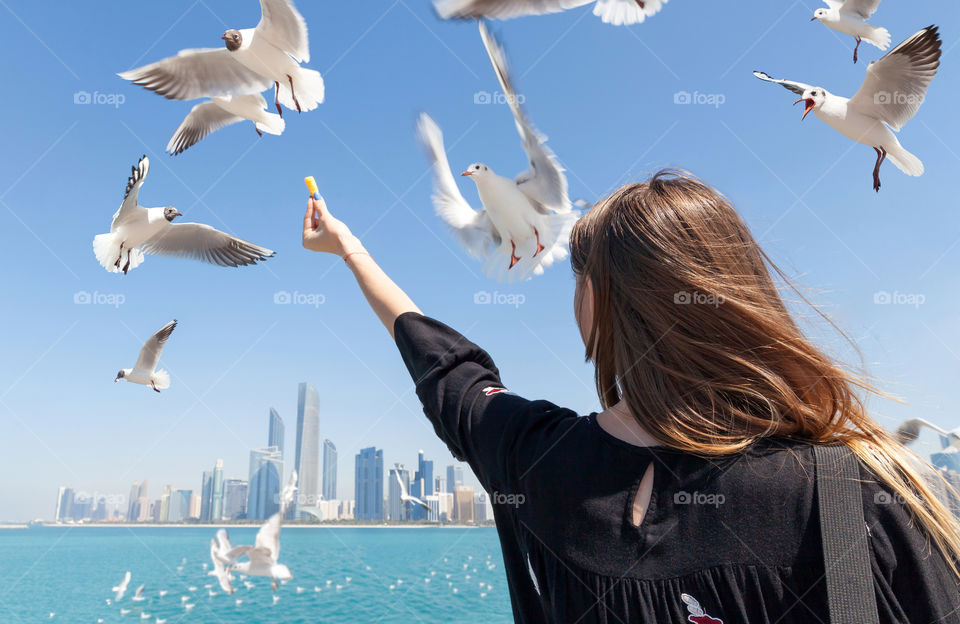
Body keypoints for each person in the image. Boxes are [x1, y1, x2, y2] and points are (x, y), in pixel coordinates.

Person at [301, 171, 960, 623]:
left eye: (576, 283)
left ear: (596, 303)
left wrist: (349, 250)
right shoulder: (863, 493)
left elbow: (449, 371)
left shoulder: (535, 461)